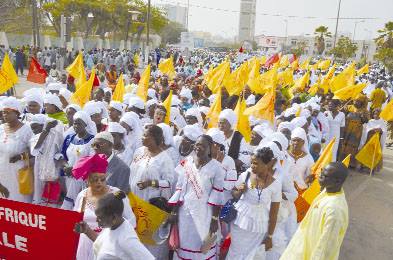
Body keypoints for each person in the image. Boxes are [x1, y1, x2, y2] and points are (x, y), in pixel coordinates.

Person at [168, 135, 225, 260]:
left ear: (210, 149)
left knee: (200, 249)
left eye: (203, 146)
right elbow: (180, 189)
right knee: (183, 247)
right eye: (197, 144)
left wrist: (214, 220)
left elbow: (217, 196)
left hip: (204, 216)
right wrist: (174, 211)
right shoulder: (187, 162)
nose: (199, 148)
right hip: (185, 216)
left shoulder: (217, 168)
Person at [280, 162, 349, 260]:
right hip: (300, 248)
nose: (319, 175)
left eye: (325, 175)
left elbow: (326, 248)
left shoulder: (334, 210)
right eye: (321, 171)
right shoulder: (327, 191)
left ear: (337, 182)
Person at [226, 147, 281, 259]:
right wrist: (240, 191)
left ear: (267, 164)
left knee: (252, 255)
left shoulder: (275, 184)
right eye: (251, 162)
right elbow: (234, 193)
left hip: (259, 226)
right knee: (235, 252)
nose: (252, 166)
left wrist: (270, 236)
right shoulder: (245, 175)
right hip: (240, 222)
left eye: (256, 163)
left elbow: (274, 213)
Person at [74, 190, 153, 260]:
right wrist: (87, 230)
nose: (97, 220)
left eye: (100, 217)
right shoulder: (114, 226)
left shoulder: (127, 240)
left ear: (113, 217)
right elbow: (105, 243)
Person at [59, 111, 96, 209]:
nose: (75, 125)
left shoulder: (92, 140)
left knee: (79, 204)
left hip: (82, 178)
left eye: (79, 123)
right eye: (74, 123)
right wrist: (66, 167)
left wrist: (75, 170)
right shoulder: (69, 138)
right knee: (69, 201)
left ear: (85, 124)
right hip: (69, 176)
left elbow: (91, 160)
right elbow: (62, 155)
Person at [0, 97, 33, 202]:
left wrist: (21, 156)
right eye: (3, 112)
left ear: (17, 113)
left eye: (8, 112)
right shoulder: (1, 128)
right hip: (2, 174)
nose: (5, 114)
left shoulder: (27, 130)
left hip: (20, 175)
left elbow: (35, 152)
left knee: (19, 205)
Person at [29, 115, 63, 205]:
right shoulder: (35, 137)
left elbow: (60, 150)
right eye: (32, 128)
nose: (34, 130)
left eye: (35, 127)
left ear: (42, 125)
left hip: (53, 169)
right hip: (39, 167)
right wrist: (46, 130)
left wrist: (58, 157)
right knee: (39, 191)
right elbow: (34, 151)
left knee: (52, 197)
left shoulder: (55, 136)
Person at [338, 95, 369, 167]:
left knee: (352, 145)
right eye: (355, 100)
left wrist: (362, 116)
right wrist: (343, 108)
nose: (356, 102)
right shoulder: (349, 107)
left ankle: (350, 163)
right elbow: (341, 114)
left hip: (356, 131)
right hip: (347, 128)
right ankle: (340, 160)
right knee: (343, 143)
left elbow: (366, 120)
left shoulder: (364, 111)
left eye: (358, 101)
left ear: (362, 103)